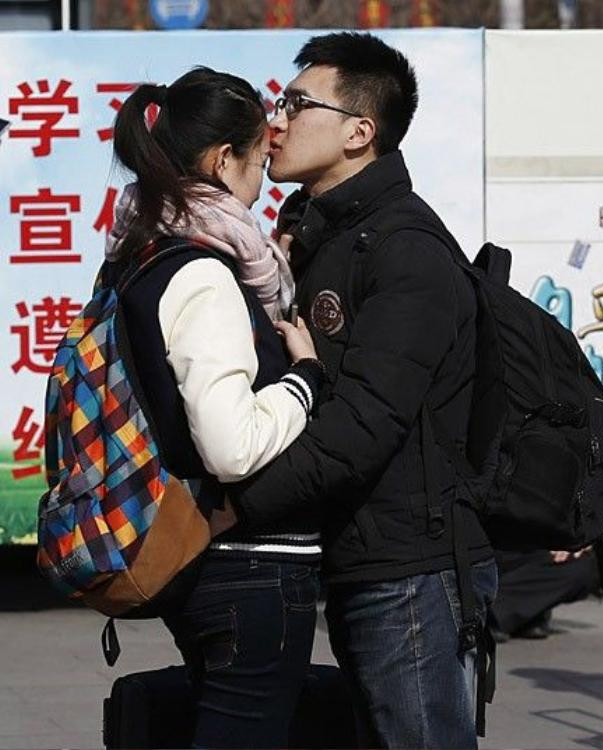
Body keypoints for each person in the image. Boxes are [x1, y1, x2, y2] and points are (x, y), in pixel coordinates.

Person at [221, 32, 496, 749]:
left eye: (295, 104)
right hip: (361, 558)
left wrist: (227, 510)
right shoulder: (322, 239)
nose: (273, 121)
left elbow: (363, 429)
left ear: (359, 132)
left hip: (411, 571)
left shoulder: (405, 249)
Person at [106, 67, 326, 747]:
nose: (262, 180)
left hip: (201, 553)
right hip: (248, 566)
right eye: (259, 159)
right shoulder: (203, 273)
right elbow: (230, 445)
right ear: (223, 159)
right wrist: (306, 379)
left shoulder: (139, 251)